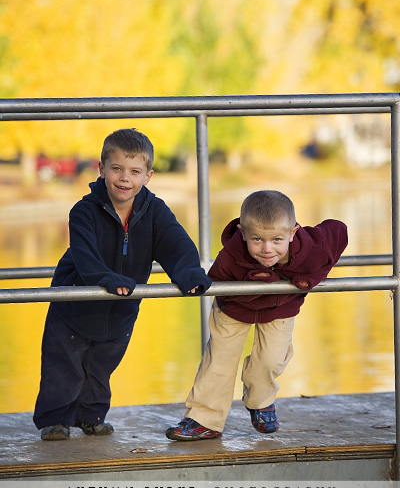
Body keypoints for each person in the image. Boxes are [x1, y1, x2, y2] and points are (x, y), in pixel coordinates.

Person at [34, 128, 212, 441]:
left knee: (101, 367)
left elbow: (176, 244)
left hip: (120, 309)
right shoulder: (84, 212)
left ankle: (91, 417)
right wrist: (106, 278)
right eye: (116, 169)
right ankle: (55, 420)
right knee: (64, 367)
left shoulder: (154, 212)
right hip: (75, 308)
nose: (124, 178)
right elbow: (85, 256)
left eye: (134, 171)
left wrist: (188, 272)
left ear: (148, 175)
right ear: (101, 169)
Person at [166, 190, 348, 441]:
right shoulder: (232, 255)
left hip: (281, 306)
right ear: (242, 233)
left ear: (293, 232)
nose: (266, 249)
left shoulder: (312, 248)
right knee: (219, 360)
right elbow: (215, 282)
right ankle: (204, 419)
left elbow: (339, 230)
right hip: (234, 306)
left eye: (276, 240)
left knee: (271, 359)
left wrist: (313, 274)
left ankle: (260, 402)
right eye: (257, 239)